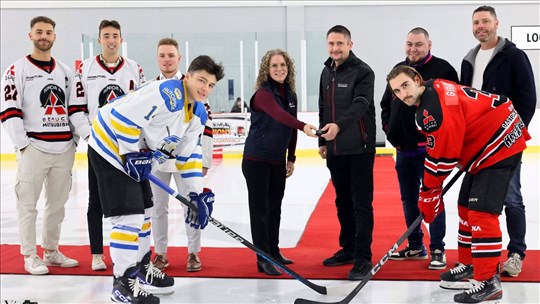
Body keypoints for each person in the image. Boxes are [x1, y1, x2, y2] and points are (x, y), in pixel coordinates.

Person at [387, 65, 530, 303]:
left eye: (405, 85)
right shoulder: (432, 92)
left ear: (416, 79)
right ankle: (469, 264)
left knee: (481, 213)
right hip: (486, 145)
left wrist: (428, 191)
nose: (403, 94)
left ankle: (489, 282)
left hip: (500, 144)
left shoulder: (431, 108)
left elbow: (444, 156)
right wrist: (430, 191)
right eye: (397, 91)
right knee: (465, 206)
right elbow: (444, 148)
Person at [88, 55, 224, 302]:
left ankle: (140, 268)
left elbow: (187, 156)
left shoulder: (198, 114)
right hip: (110, 146)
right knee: (128, 216)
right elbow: (121, 118)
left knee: (146, 211)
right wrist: (130, 154)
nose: (205, 88)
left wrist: (195, 195)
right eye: (201, 80)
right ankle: (123, 283)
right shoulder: (167, 92)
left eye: (211, 85)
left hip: (137, 154)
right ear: (188, 76)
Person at [0, 16, 86, 275]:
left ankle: (51, 251)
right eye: (39, 32)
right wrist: (23, 146)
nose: (44, 36)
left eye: (48, 32)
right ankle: (30, 255)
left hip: (63, 149)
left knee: (57, 205)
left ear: (54, 37)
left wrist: (75, 140)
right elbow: (9, 110)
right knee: (27, 204)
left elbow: (75, 108)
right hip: (34, 148)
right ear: (30, 36)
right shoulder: (16, 70)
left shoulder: (65, 71)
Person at [460, 5, 537, 278]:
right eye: (476, 22)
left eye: (485, 21)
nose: (480, 26)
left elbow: (528, 99)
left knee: (512, 197)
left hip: (506, 143)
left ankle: (516, 253)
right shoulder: (468, 60)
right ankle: (481, 255)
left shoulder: (513, 56)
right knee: (480, 203)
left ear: (496, 23)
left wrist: (513, 134)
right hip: (478, 145)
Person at [381, 27, 459, 270]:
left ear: (429, 45)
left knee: (433, 198)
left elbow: (454, 109)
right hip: (404, 150)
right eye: (409, 44)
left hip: (430, 151)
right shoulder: (397, 71)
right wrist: (390, 130)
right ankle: (416, 246)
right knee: (408, 200)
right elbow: (386, 104)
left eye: (418, 44)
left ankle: (437, 248)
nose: (413, 49)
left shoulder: (444, 69)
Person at [71, 19, 146, 271]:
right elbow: (76, 109)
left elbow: (143, 108)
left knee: (131, 200)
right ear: (99, 39)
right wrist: (91, 138)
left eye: (115, 35)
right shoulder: (85, 68)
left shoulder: (135, 68)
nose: (111, 40)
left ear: (121, 39)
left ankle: (132, 253)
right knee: (96, 200)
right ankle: (96, 253)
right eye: (106, 35)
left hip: (126, 146)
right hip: (99, 147)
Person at [242, 49, 317, 276]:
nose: (279, 69)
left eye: (282, 65)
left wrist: (291, 157)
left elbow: (289, 128)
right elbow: (279, 116)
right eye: (274, 65)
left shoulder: (291, 95)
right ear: (267, 69)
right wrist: (304, 125)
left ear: (288, 68)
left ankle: (273, 251)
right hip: (256, 160)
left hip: (276, 161)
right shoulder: (263, 94)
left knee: (275, 208)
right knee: (260, 210)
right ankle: (262, 257)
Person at [149, 37, 214, 272]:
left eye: (171, 55)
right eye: (162, 55)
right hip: (157, 160)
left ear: (179, 59)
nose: (167, 59)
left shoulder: (193, 86)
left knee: (192, 206)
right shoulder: (150, 88)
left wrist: (205, 160)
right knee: (158, 208)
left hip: (188, 159)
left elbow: (206, 127)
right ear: (157, 58)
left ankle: (193, 253)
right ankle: (161, 253)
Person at [318, 25, 376, 281]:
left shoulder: (363, 72)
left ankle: (363, 257)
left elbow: (361, 104)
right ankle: (348, 249)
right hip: (335, 148)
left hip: (360, 148)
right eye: (331, 44)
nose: (335, 48)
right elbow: (323, 106)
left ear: (350, 45)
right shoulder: (325, 72)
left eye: (340, 43)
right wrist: (321, 141)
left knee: (361, 204)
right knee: (343, 202)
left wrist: (339, 126)